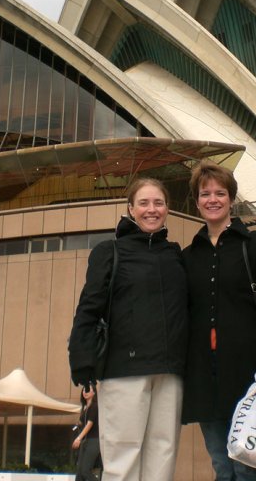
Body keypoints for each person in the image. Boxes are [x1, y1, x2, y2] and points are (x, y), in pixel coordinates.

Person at [68, 178, 188, 481]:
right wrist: (82, 363)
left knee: (164, 454)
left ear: (167, 209)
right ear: (130, 209)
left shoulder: (175, 254)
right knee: (123, 456)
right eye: (144, 203)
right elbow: (88, 308)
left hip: (170, 370)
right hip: (124, 369)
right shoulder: (110, 251)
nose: (152, 210)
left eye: (158, 203)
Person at [182, 160, 256, 481]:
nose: (212, 199)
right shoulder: (188, 256)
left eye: (220, 193)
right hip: (205, 378)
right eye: (205, 194)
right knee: (221, 465)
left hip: (249, 379)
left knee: (248, 468)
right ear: (196, 200)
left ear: (231, 198)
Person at [73, 385, 101, 481]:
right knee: (79, 474)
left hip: (93, 441)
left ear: (94, 392)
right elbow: (83, 423)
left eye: (88, 390)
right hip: (85, 441)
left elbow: (89, 424)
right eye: (84, 390)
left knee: (85, 471)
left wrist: (78, 438)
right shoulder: (85, 408)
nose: (85, 391)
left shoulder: (95, 406)